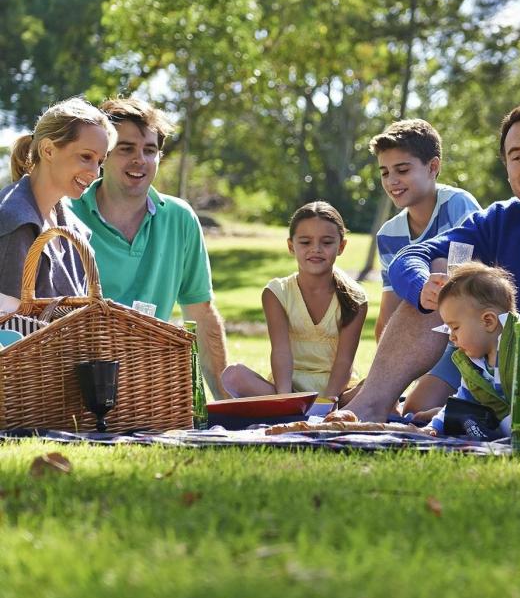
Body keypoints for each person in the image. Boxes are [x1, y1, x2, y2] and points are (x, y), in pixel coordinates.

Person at [343, 101, 520, 422]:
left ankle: (461, 417)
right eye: (516, 157)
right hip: (497, 370)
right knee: (437, 286)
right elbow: (411, 258)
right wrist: (423, 287)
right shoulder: (499, 219)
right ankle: (367, 407)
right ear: (507, 168)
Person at [68, 97, 229, 399]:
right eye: (126, 148)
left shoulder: (180, 218)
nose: (139, 159)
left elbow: (202, 315)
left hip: (150, 385)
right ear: (103, 155)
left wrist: (227, 404)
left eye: (149, 150)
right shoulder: (66, 213)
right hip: (77, 381)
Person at [221, 201, 367, 403]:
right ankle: (287, 408)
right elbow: (280, 351)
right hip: (288, 387)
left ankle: (318, 411)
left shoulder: (355, 297)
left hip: (337, 392)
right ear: (291, 246)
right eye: (305, 242)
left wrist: (328, 401)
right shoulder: (276, 292)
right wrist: (285, 398)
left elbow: (344, 361)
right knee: (233, 375)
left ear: (341, 246)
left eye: (326, 242)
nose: (315, 249)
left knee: (380, 384)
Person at [424, 262, 520, 435]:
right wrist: (433, 427)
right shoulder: (476, 365)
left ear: (488, 321)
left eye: (455, 327)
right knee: (485, 424)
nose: (451, 336)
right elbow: (462, 402)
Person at [369, 118, 480, 341]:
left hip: (473, 324)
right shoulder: (389, 234)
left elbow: (467, 283)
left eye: (402, 170)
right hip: (428, 335)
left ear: (433, 167)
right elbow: (388, 314)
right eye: (385, 173)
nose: (392, 181)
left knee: (439, 269)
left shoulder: (458, 205)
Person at [0, 98, 115, 303]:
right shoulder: (13, 221)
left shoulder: (77, 231)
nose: (94, 172)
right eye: (86, 157)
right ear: (48, 150)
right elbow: (9, 328)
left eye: (100, 162)